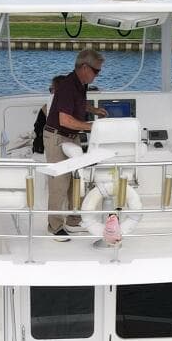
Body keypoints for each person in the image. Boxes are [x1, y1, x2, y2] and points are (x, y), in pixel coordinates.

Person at [42, 49, 107, 238]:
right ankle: (54, 226)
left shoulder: (80, 84)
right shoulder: (67, 86)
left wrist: (94, 110)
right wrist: (93, 128)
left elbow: (78, 103)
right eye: (96, 71)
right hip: (57, 137)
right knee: (60, 183)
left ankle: (73, 219)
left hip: (72, 136)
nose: (97, 75)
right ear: (85, 67)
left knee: (75, 180)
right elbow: (65, 120)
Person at [32, 76, 65, 154]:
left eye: (51, 89)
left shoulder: (47, 107)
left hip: (45, 147)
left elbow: (38, 129)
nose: (50, 92)